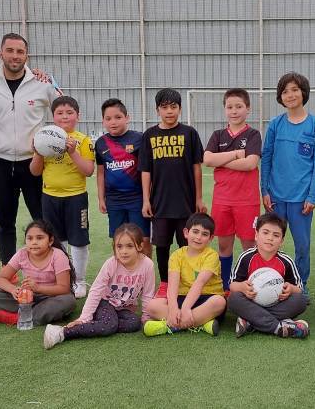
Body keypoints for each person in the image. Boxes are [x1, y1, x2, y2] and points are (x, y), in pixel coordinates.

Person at [0, 32, 60, 271]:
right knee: (4, 223)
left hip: (34, 164)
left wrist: (56, 142)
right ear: (0, 53)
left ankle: (52, 270)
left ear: (27, 55)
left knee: (44, 222)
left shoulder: (43, 83)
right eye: (10, 50)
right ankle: (8, 273)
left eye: (20, 51)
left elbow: (66, 109)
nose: (15, 56)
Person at [261, 72, 315, 300]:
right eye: (285, 91)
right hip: (276, 197)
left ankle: (300, 284)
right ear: (280, 96)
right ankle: (270, 282)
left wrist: (312, 196)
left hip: (301, 199)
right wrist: (264, 190)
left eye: (295, 90)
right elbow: (266, 157)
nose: (290, 95)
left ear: (303, 92)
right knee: (270, 242)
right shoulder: (276, 125)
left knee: (302, 246)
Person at [43, 223, 155, 349]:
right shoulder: (111, 263)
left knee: (134, 323)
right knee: (109, 325)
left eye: (129, 246)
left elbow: (148, 294)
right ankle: (61, 332)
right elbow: (96, 290)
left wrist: (146, 317)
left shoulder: (148, 265)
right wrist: (84, 318)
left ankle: (105, 322)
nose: (123, 251)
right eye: (119, 246)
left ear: (139, 246)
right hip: (104, 302)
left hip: (124, 308)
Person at [139, 88, 206, 289]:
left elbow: (197, 168)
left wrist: (199, 198)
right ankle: (165, 284)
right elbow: (145, 170)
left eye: (174, 107)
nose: (169, 111)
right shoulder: (149, 135)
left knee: (187, 244)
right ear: (157, 110)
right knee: (162, 245)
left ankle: (187, 283)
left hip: (186, 202)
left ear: (180, 109)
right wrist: (146, 199)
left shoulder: (189, 133)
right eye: (165, 107)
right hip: (160, 204)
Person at [30, 96, 95, 298]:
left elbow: (88, 171)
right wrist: (38, 153)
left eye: (69, 112)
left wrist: (73, 152)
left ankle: (80, 281)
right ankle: (62, 280)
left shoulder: (83, 140)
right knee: (57, 241)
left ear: (78, 116)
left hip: (76, 198)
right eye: (59, 113)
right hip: (49, 197)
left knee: (79, 240)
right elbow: (34, 171)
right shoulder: (44, 136)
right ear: (53, 116)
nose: (65, 116)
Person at [203, 88, 262, 291]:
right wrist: (236, 154)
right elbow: (207, 159)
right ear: (225, 109)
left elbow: (250, 164)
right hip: (222, 200)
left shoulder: (254, 134)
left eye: (239, 106)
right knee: (224, 246)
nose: (234, 111)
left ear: (248, 109)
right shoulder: (218, 135)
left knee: (249, 247)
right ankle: (226, 286)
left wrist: (221, 160)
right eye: (230, 107)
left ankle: (251, 286)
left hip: (247, 200)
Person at [227, 213, 309, 339]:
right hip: (251, 303)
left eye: (276, 235)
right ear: (256, 235)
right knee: (233, 299)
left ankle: (251, 322)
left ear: (281, 241)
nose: (270, 238)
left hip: (277, 304)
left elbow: (299, 288)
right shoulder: (246, 257)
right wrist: (242, 287)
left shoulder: (286, 261)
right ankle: (279, 328)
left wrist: (290, 289)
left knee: (300, 301)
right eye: (265, 233)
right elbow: (232, 285)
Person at [143, 213, 226, 336]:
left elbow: (200, 283)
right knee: (152, 306)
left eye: (204, 234)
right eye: (195, 232)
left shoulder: (211, 255)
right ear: (186, 233)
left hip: (207, 298)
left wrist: (186, 308)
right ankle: (202, 323)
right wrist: (173, 308)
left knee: (220, 302)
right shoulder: (177, 255)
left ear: (211, 238)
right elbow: (172, 286)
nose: (198, 237)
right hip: (182, 297)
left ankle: (168, 326)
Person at [0, 220, 76, 327]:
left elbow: (64, 288)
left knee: (68, 301)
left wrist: (38, 288)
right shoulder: (22, 254)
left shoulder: (58, 256)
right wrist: (13, 290)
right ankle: (29, 314)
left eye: (39, 238)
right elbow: (1, 278)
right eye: (30, 238)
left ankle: (17, 317)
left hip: (51, 297)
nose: (34, 242)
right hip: (26, 298)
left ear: (50, 241)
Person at [95, 98, 150, 257]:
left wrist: (147, 198)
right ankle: (121, 276)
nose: (113, 122)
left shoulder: (139, 139)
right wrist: (101, 198)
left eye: (118, 117)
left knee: (143, 239)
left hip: (137, 197)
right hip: (114, 199)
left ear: (127, 118)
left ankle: (145, 277)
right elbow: (100, 172)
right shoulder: (100, 143)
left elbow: (147, 171)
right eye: (108, 118)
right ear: (103, 121)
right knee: (118, 239)